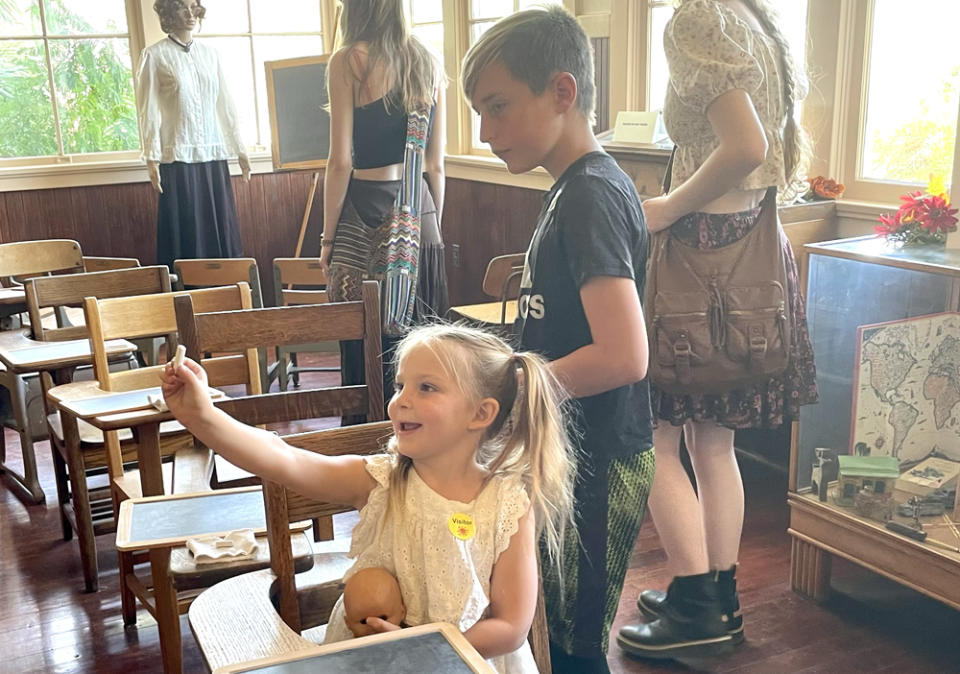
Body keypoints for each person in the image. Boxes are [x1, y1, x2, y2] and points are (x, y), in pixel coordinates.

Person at [160, 323, 575, 674]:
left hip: (461, 659)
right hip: (372, 658)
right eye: (400, 385)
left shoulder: (506, 504)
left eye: (426, 387)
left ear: (480, 414)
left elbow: (511, 625)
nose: (401, 400)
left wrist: (424, 653)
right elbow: (283, 459)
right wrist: (203, 416)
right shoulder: (380, 481)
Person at [617, 0, 819, 661]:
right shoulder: (750, 17)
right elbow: (764, 151)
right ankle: (715, 598)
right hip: (752, 251)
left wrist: (668, 206)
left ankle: (696, 599)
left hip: (703, 259)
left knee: (655, 437)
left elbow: (747, 146)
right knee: (712, 445)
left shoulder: (697, 18)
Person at [462, 7, 655, 673]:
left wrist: (511, 392)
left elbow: (625, 354)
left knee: (574, 651)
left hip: (600, 459)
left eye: (497, 107)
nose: (485, 133)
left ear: (562, 92)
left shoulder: (591, 196)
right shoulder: (568, 189)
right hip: (572, 453)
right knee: (549, 635)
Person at [319, 0, 448, 400]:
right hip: (419, 214)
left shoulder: (348, 62)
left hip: (363, 214)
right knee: (422, 345)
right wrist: (430, 230)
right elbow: (436, 164)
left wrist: (326, 240)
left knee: (365, 344)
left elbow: (340, 162)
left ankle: (366, 438)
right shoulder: (428, 60)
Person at [137, 0, 249, 269]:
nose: (189, 14)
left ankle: (227, 296)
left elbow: (226, 104)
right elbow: (148, 110)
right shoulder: (154, 56)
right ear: (168, 13)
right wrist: (152, 159)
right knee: (185, 233)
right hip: (178, 159)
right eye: (181, 8)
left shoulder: (212, 55)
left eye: (193, 6)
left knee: (220, 228)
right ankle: (188, 298)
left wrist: (240, 148)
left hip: (213, 157)